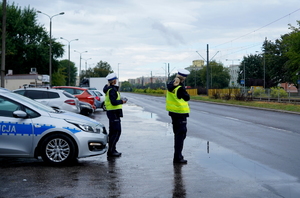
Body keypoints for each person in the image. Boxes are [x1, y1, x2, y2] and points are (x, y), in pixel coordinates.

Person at [166, 69, 190, 164]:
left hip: (173, 113)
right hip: (180, 114)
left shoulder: (171, 85)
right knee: (180, 135)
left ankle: (178, 155)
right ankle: (177, 157)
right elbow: (187, 97)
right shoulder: (179, 88)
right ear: (184, 78)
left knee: (178, 134)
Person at [103, 73, 127, 157]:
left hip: (112, 112)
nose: (116, 80)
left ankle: (112, 149)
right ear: (113, 81)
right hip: (114, 113)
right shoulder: (112, 90)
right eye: (115, 79)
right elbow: (113, 102)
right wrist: (122, 101)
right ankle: (111, 151)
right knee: (116, 132)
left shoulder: (109, 89)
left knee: (113, 132)